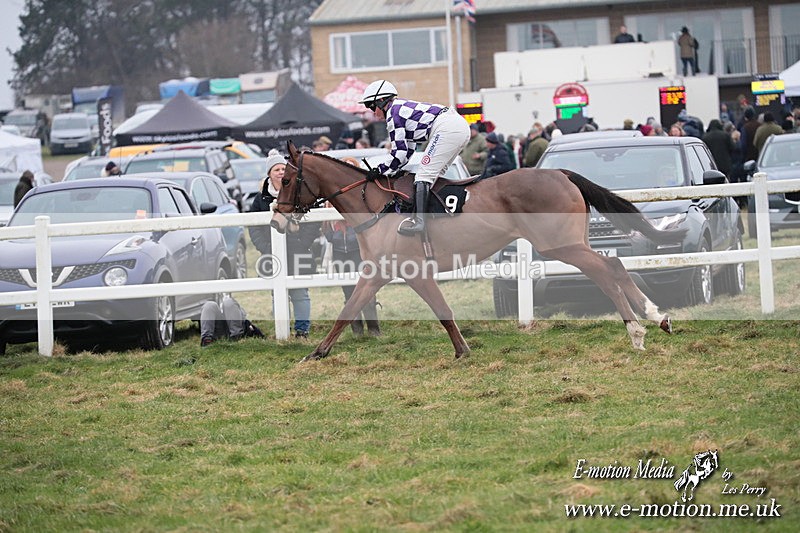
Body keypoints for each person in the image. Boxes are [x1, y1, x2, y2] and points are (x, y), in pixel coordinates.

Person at [358, 79, 470, 235]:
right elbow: (407, 151)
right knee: (434, 175)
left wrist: (380, 170)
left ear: (382, 101)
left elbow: (399, 153)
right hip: (456, 126)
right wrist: (393, 169)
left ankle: (420, 221)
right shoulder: (399, 109)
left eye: (371, 106)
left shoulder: (393, 113)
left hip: (447, 128)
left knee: (423, 175)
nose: (373, 113)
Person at [249, 154, 321, 338]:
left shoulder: (300, 193)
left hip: (298, 250)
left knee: (300, 292)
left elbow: (313, 221)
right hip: (271, 253)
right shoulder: (260, 200)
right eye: (277, 169)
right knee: (277, 293)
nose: (281, 172)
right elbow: (254, 227)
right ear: (269, 174)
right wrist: (265, 247)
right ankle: (282, 331)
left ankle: (302, 331)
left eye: (283, 169)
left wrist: (303, 242)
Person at [200, 295, 264, 347]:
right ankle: (207, 340)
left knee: (228, 303)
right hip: (222, 331)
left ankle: (237, 337)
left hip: (235, 329)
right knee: (209, 305)